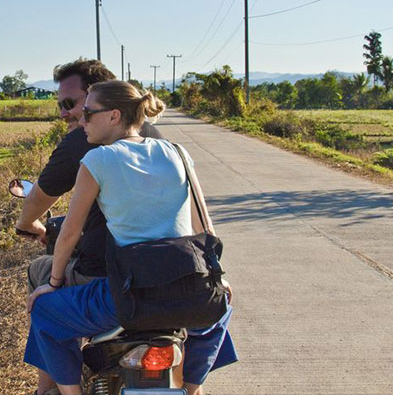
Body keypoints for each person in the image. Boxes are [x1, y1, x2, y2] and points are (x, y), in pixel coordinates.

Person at [24, 81, 236, 395]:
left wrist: (53, 284)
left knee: (44, 312)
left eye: (88, 113)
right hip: (188, 289)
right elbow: (204, 227)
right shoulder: (177, 152)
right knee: (219, 313)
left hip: (127, 296)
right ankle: (192, 389)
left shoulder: (97, 160)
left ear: (113, 116)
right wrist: (219, 277)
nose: (81, 121)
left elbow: (69, 233)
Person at [15, 59, 161, 395]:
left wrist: (28, 224)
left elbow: (42, 199)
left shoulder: (86, 142)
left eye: (72, 104)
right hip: (162, 273)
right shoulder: (155, 138)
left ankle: (49, 388)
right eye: (61, 106)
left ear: (100, 102)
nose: (68, 115)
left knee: (42, 280)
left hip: (109, 278)